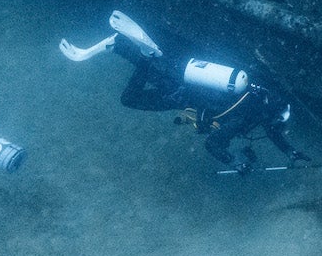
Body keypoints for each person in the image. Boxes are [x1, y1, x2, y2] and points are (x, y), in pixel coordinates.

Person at [61, 9, 302, 171]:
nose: (277, 128)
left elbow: (272, 130)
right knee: (130, 98)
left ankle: (125, 48)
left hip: (188, 81)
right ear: (270, 115)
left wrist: (289, 151)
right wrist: (234, 161)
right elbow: (213, 144)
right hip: (181, 94)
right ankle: (140, 54)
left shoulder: (260, 96)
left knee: (155, 70)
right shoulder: (246, 118)